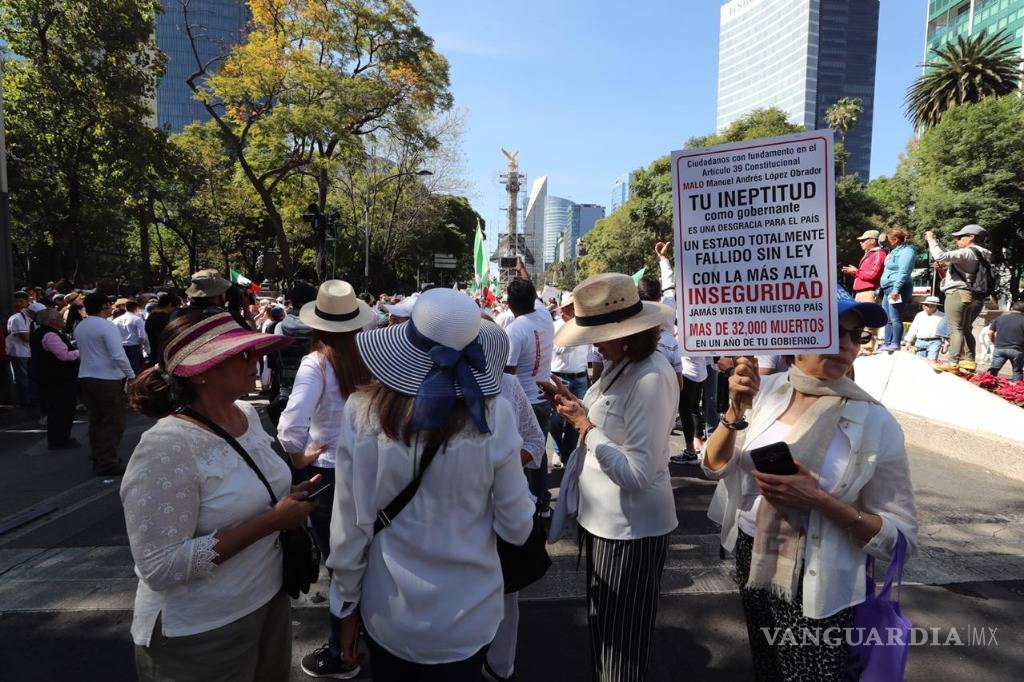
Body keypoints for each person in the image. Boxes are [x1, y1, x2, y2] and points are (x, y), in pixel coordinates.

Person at [701, 295, 917, 681]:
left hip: (823, 582)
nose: (847, 345)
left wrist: (819, 501)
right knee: (768, 670)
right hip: (755, 560)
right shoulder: (767, 392)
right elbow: (714, 467)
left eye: (856, 335)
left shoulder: (876, 423)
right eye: (832, 332)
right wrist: (735, 410)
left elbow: (901, 538)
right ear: (794, 341)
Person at [328, 288, 534, 680]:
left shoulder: (362, 411)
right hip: (470, 615)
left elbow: (349, 528)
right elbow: (517, 526)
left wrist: (345, 605)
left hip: (390, 611)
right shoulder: (496, 415)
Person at [123, 311, 312, 682]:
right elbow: (160, 567)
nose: (255, 360)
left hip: (269, 602)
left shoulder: (245, 414)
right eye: (241, 353)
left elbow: (249, 492)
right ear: (201, 369)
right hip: (201, 631)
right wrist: (272, 521)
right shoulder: (166, 446)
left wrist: (291, 498)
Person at [543, 272, 677, 682]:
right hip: (606, 523)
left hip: (630, 530)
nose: (594, 343)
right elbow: (607, 423)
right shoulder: (623, 365)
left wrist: (585, 425)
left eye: (600, 333)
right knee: (606, 630)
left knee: (623, 643)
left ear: (628, 334)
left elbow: (636, 472)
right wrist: (576, 406)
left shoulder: (650, 376)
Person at [276, 280, 374, 680]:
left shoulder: (315, 363)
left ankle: (342, 651)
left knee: (341, 565)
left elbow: (290, 427)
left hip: (329, 474)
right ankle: (364, 638)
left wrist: (302, 454)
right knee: (367, 557)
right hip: (370, 468)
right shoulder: (371, 355)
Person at [485, 371, 546, 682]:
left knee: (505, 594)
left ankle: (499, 667)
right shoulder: (418, 385)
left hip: (501, 511)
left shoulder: (506, 385)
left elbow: (535, 440)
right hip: (450, 525)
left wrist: (504, 464)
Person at [504, 276, 555, 516]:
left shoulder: (514, 330)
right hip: (544, 398)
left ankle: (527, 505)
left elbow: (508, 374)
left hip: (524, 404)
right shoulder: (544, 314)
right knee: (539, 450)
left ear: (509, 303)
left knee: (521, 455)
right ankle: (543, 502)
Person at [74, 292, 135, 476]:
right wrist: (131, 375)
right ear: (103, 307)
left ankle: (98, 456)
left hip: (86, 376)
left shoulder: (81, 326)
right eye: (108, 305)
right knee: (113, 421)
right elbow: (117, 354)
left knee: (96, 420)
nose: (111, 307)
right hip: (107, 378)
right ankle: (108, 461)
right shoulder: (106, 326)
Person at [926, 225, 993, 372]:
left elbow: (940, 256)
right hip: (972, 294)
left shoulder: (967, 252)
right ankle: (969, 361)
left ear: (971, 237)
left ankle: (953, 362)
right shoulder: (983, 253)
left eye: (960, 237)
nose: (957, 240)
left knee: (954, 328)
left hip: (957, 293)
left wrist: (931, 240)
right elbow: (950, 257)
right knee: (965, 328)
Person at [549, 292, 591, 467]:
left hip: (580, 377)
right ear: (565, 309)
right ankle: (560, 450)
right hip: (560, 377)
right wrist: (573, 335)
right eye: (572, 307)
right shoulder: (555, 326)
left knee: (578, 417)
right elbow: (558, 350)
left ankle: (566, 454)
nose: (575, 310)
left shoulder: (584, 326)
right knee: (556, 420)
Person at [29, 308, 80, 448]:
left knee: (55, 409)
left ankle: (57, 439)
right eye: (58, 317)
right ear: (52, 321)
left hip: (49, 377)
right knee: (62, 409)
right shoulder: (50, 335)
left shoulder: (39, 333)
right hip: (58, 378)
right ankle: (60, 440)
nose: (61, 319)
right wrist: (79, 352)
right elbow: (64, 355)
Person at [269, 280, 317, 425]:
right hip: (313, 390)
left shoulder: (280, 326)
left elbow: (275, 359)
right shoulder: (319, 327)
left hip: (287, 389)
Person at [842, 229, 887, 353]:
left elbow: (872, 274)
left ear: (872, 241)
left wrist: (855, 272)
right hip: (861, 293)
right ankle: (859, 348)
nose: (860, 242)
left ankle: (867, 349)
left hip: (869, 292)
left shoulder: (879, 254)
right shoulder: (869, 254)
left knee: (869, 321)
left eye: (863, 240)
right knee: (858, 322)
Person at [876, 228, 916, 353]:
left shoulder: (907, 251)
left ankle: (895, 342)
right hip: (887, 287)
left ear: (895, 240)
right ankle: (887, 342)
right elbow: (881, 243)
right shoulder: (893, 251)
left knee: (895, 317)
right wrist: (882, 237)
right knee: (886, 317)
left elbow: (904, 272)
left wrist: (896, 289)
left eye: (888, 240)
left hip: (898, 287)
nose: (885, 242)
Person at [6, 291, 36, 408]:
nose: (18, 304)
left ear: (27, 302)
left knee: (29, 376)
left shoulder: (27, 317)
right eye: (16, 301)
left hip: (27, 352)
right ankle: (25, 401)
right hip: (19, 353)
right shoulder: (17, 318)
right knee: (22, 378)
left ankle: (30, 398)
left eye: (21, 301)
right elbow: (25, 338)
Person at [987, 301, 1024, 382]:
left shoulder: (1000, 318)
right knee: (1017, 371)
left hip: (1000, 348)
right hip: (1017, 350)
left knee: (993, 370)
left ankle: (986, 385)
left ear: (1012, 308)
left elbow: (990, 332)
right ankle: (1016, 390)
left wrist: (994, 342)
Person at [903, 296, 945, 362]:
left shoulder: (942, 316)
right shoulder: (919, 315)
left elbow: (945, 331)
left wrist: (945, 344)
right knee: (919, 362)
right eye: (925, 305)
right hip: (920, 341)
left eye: (929, 305)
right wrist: (908, 341)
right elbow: (913, 328)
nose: (926, 307)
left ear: (935, 306)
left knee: (931, 362)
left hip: (935, 341)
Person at [114, 300, 150, 375]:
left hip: (121, 347)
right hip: (135, 347)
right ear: (136, 308)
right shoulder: (137, 319)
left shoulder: (116, 320)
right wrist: (141, 344)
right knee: (136, 369)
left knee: (123, 369)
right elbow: (142, 336)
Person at [145, 293, 181, 363]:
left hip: (154, 353)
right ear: (170, 305)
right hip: (164, 356)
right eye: (176, 307)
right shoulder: (164, 318)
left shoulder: (151, 316)